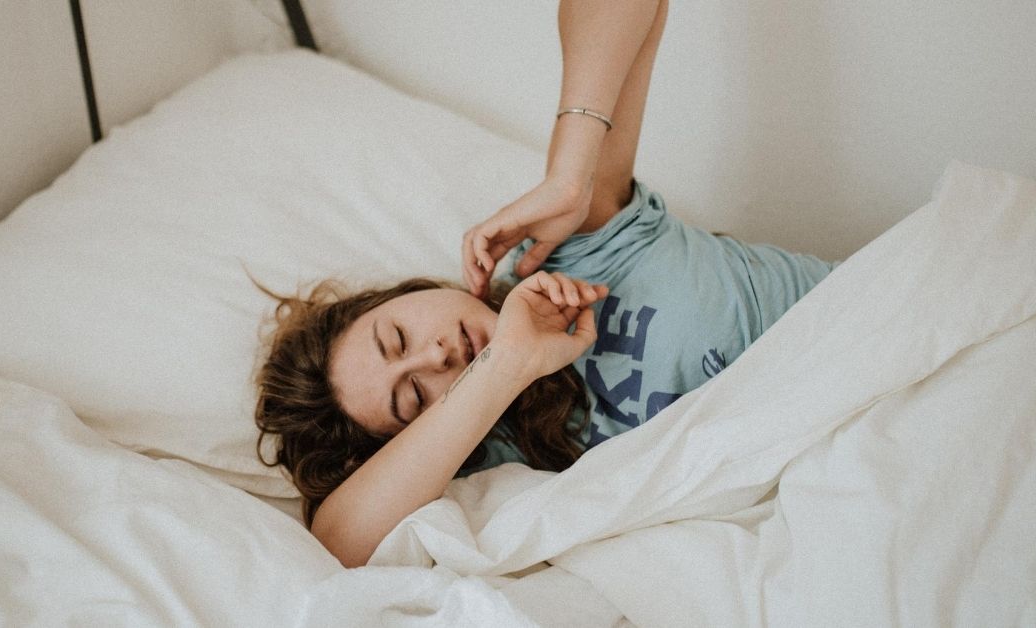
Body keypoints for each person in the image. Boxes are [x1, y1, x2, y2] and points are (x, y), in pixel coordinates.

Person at [255, 0, 836, 568]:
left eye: (399, 337)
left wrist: (568, 176)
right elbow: (339, 542)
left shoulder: (566, 251)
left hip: (864, 335)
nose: (435, 356)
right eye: (414, 399)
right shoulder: (499, 456)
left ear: (405, 293)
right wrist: (506, 364)